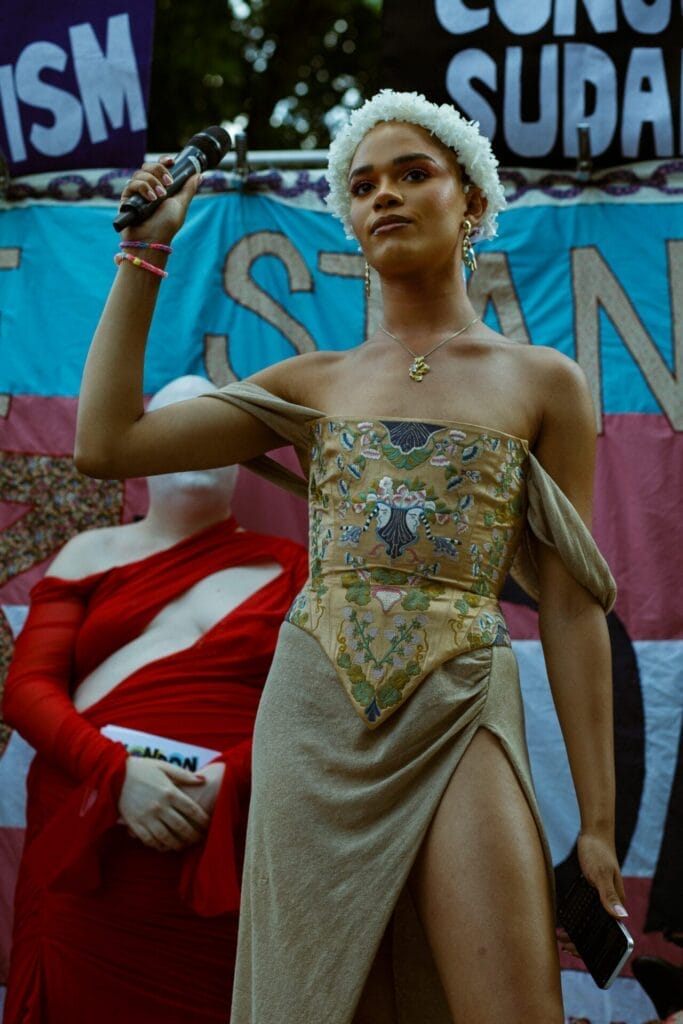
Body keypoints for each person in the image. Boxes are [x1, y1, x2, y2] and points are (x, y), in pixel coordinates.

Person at [73, 90, 626, 1024]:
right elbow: (108, 444)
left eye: (414, 174)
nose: (385, 196)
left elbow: (572, 606)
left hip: (461, 703)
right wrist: (145, 251)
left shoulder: (547, 383)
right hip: (315, 716)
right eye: (363, 184)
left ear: (472, 202)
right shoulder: (309, 381)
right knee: (317, 1002)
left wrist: (600, 826)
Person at [2, 375, 307, 1023]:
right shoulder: (89, 552)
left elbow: (321, 714)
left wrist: (230, 778)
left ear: (243, 456)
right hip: (90, 854)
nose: (194, 444)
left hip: (224, 850)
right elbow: (27, 691)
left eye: (213, 430)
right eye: (175, 425)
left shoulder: (294, 569)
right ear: (138, 447)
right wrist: (117, 775)